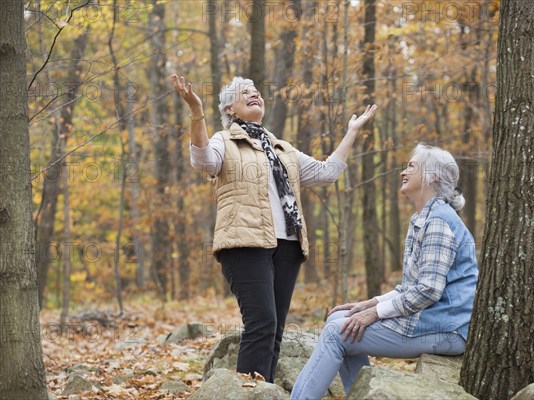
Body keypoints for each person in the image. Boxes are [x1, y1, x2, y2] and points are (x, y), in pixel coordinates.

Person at [171, 74, 377, 383]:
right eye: (244, 93)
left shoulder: (283, 150)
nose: (254, 94)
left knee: (276, 329)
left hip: (289, 247)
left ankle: (263, 390)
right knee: (261, 323)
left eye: (256, 91)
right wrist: (196, 112)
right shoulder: (224, 140)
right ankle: (248, 392)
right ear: (230, 109)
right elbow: (203, 163)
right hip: (245, 242)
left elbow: (327, 172)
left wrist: (351, 132)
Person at [291, 143, 479, 399]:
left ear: (433, 176)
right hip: (430, 319)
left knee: (338, 332)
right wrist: (366, 304)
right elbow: (411, 287)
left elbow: (428, 291)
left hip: (447, 328)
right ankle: (364, 394)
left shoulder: (439, 221)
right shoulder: (423, 218)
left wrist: (374, 314)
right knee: (338, 320)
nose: (404, 172)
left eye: (411, 166)